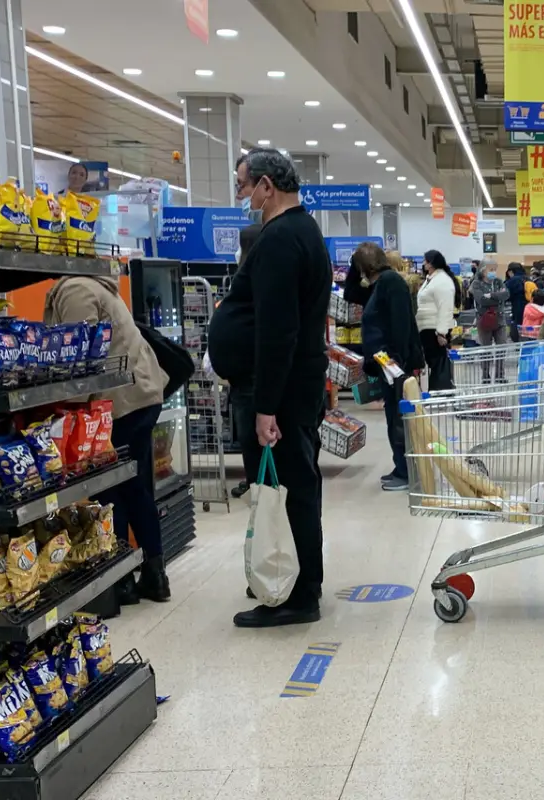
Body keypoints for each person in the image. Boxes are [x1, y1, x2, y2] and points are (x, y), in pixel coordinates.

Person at [209, 147, 330, 628]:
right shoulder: (302, 230)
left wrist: (265, 408)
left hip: (276, 392)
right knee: (292, 487)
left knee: (286, 489)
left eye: (244, 185)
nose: (242, 195)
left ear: (266, 185)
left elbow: (278, 331)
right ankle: (296, 580)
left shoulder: (281, 239)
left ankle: (299, 595)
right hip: (290, 388)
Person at [44, 274, 171, 604]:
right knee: (132, 485)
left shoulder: (74, 291)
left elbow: (79, 355)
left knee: (110, 489)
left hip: (120, 403)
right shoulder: (95, 285)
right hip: (139, 395)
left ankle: (122, 580)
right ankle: (153, 575)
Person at [358, 242, 426, 491]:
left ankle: (407, 472)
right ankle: (401, 466)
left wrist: (395, 361)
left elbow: (400, 324)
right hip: (388, 365)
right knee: (394, 418)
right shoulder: (381, 284)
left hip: (396, 365)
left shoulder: (390, 283)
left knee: (399, 419)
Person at [228, 223, 262, 502]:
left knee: (254, 441)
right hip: (253, 377)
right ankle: (261, 486)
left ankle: (261, 490)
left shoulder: (247, 282)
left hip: (249, 379)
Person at [416, 249, 459, 392]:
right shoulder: (432, 278)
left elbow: (445, 307)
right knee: (434, 363)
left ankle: (441, 392)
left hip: (435, 329)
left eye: (425, 261)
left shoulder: (442, 281)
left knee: (438, 362)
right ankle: (437, 391)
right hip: (426, 328)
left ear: (431, 263)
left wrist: (441, 332)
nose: (423, 264)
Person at [471, 259, 510, 381]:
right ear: (483, 271)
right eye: (490, 269)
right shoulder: (476, 284)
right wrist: (497, 298)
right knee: (486, 348)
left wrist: (492, 296)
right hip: (484, 319)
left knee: (501, 347)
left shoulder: (498, 282)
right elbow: (481, 300)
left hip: (500, 319)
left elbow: (506, 295)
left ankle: (500, 375)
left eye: (494, 269)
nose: (493, 272)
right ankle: (485, 375)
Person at [505, 262, 528, 342]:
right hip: (530, 310)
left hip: (518, 310)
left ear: (511, 271)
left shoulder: (513, 280)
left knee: (516, 333)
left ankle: (519, 349)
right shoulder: (528, 279)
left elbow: (505, 295)